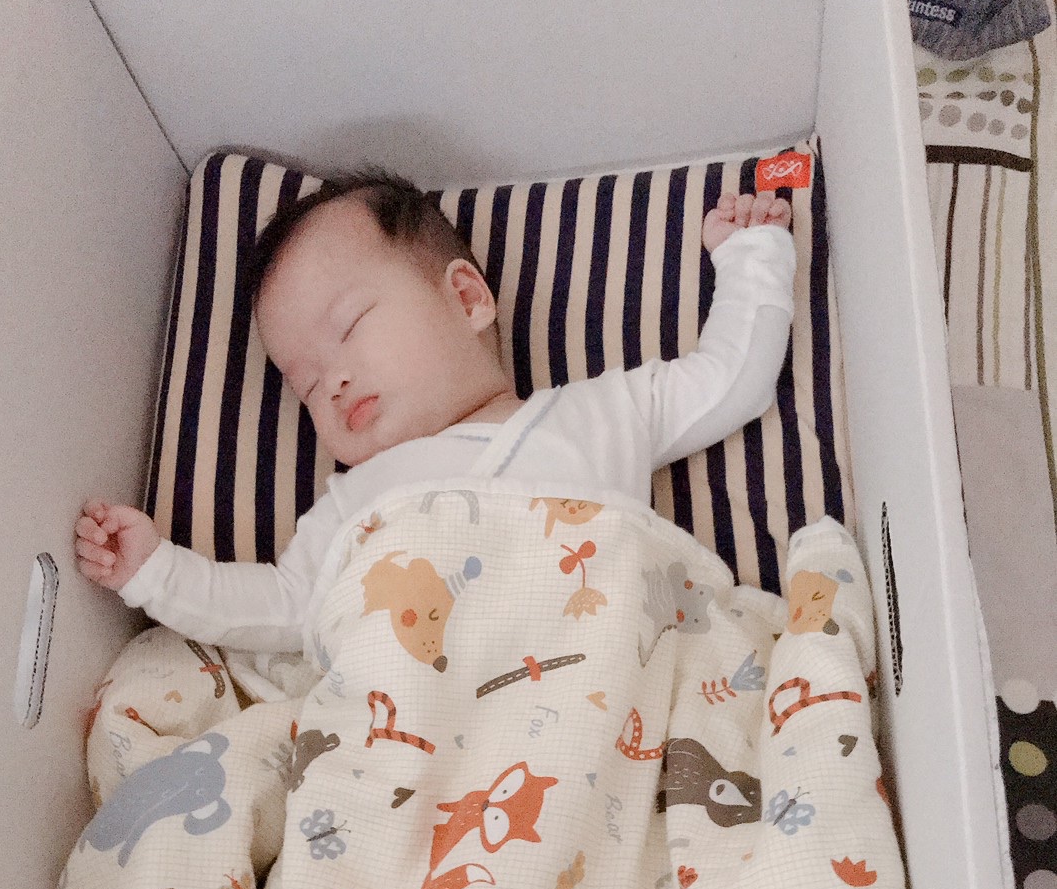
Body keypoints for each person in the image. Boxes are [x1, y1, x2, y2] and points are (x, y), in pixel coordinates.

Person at [74, 169, 794, 654]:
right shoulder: (353, 504)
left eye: (351, 327)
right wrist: (157, 571)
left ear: (466, 298)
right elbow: (282, 606)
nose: (333, 381)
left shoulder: (597, 415)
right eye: (306, 383)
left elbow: (730, 381)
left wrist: (751, 255)